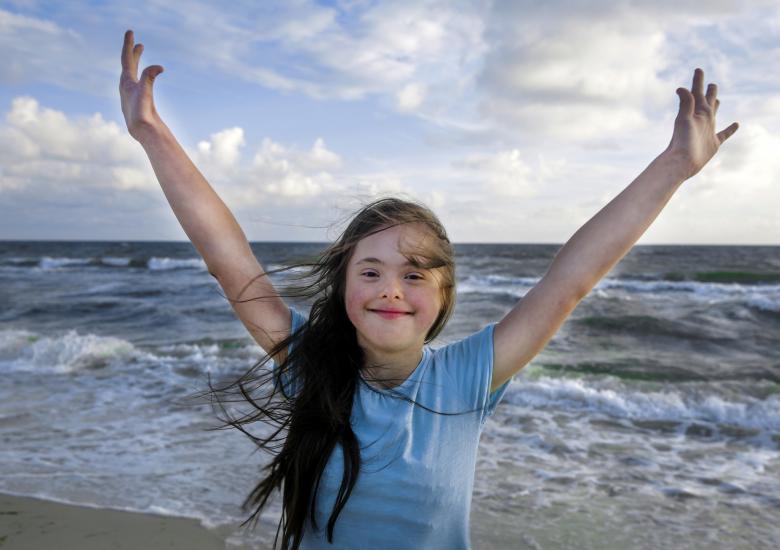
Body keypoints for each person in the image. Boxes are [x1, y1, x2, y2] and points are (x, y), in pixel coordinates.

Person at [119, 29, 738, 550]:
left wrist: (674, 167)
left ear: (443, 297)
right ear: (342, 289)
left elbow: (569, 280)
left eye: (415, 274)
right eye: (371, 271)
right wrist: (153, 134)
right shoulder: (309, 364)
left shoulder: (467, 376)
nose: (392, 289)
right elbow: (229, 262)